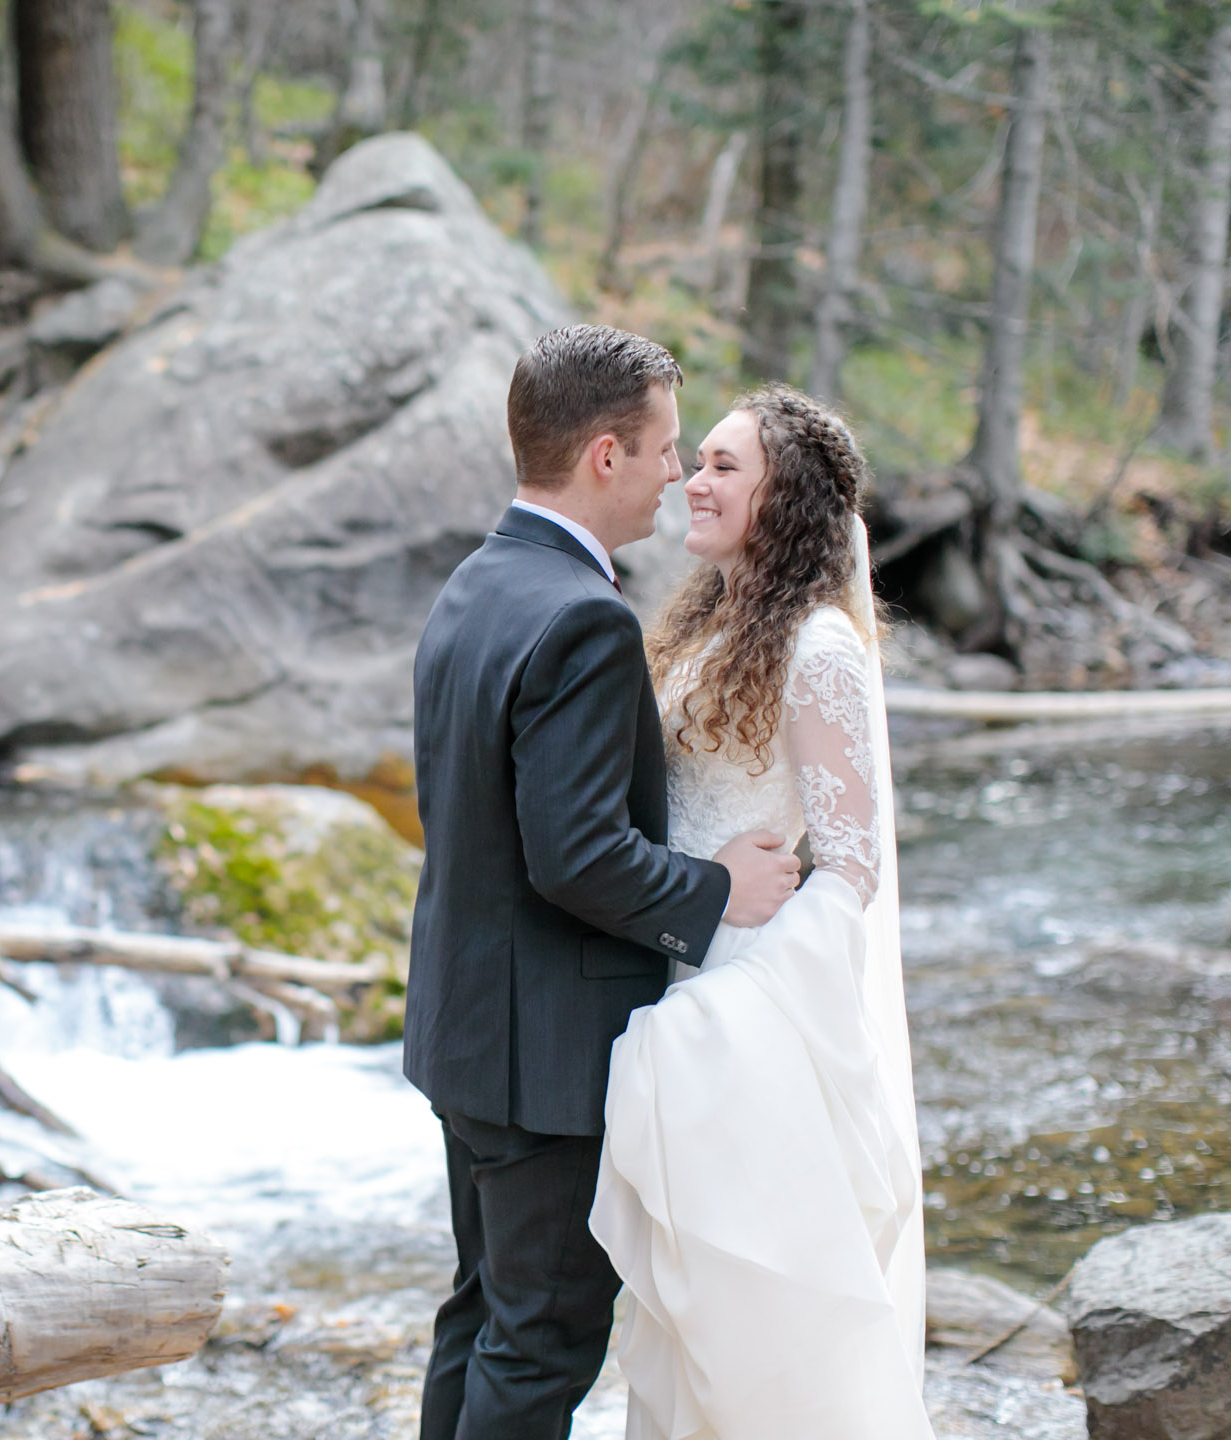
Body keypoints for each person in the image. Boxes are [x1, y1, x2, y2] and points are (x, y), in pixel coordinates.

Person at [402, 325, 803, 1440]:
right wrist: (714, 888)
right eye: (668, 448)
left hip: (463, 1032)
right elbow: (574, 854)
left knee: (482, 1314)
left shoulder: (478, 584)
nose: (678, 474)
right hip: (546, 1062)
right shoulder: (580, 617)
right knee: (542, 1344)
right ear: (605, 458)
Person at [588, 383, 932, 1439]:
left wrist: (740, 1009)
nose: (696, 476)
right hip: (673, 967)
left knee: (756, 1325)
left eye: (727, 465)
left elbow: (853, 868)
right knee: (687, 1326)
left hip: (743, 1024)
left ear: (787, 500)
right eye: (702, 459)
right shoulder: (707, 622)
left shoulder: (817, 647)